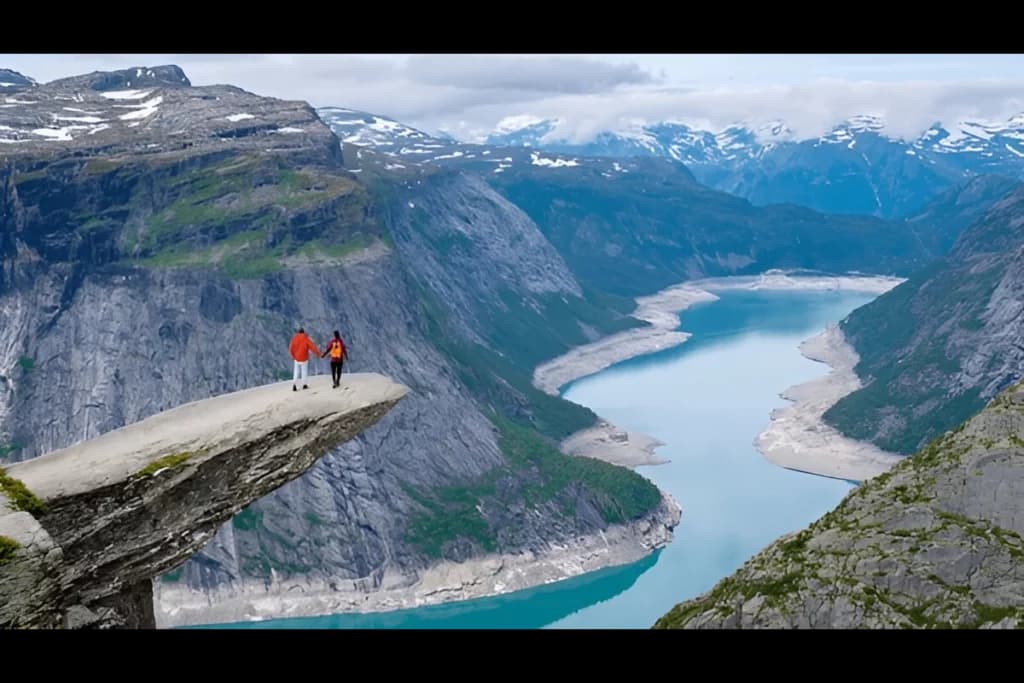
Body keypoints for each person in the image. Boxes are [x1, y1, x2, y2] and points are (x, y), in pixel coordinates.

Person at [289, 327, 321, 391]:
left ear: (298, 332)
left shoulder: (294, 338)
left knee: (296, 372)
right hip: (304, 358)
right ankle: (304, 385)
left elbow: (291, 348)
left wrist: (292, 356)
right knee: (304, 372)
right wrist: (318, 354)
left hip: (296, 358)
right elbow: (313, 347)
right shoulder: (306, 338)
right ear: (303, 332)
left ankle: (294, 385)